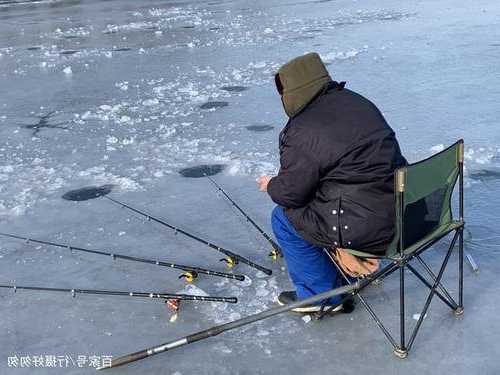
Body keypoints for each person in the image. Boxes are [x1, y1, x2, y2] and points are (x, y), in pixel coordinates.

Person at [257, 52, 407, 313]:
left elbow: (291, 194)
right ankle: (349, 265)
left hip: (365, 228)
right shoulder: (358, 102)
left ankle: (320, 297)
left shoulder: (303, 128)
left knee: (283, 218)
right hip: (402, 212)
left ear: (291, 91)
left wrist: (271, 184)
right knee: (324, 199)